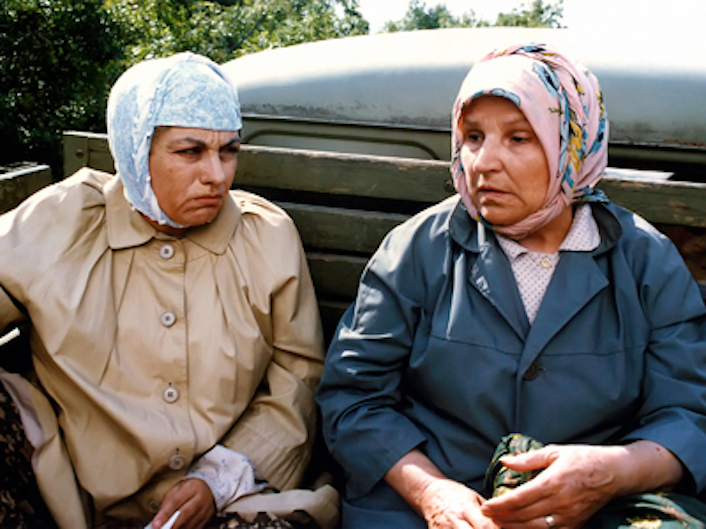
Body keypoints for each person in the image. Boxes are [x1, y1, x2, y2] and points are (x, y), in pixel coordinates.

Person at [316, 43, 706, 529]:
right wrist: (432, 492)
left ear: (572, 146)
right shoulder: (416, 249)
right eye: (473, 137)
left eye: (519, 138)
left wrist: (612, 473)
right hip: (423, 509)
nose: (483, 162)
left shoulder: (647, 260)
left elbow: (689, 413)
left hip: (596, 510)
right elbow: (353, 398)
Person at [0, 52, 330, 529]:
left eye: (229, 150)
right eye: (190, 152)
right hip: (68, 503)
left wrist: (218, 480)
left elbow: (299, 377)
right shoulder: (61, 223)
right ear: (136, 150)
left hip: (236, 502)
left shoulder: (267, 237)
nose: (217, 175)